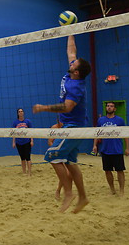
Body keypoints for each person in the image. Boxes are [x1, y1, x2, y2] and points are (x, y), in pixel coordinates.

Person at [33, 34, 91, 213]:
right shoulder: (71, 75)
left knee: (51, 156)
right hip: (68, 126)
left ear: (77, 72)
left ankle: (68, 193)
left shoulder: (76, 87)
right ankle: (83, 197)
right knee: (70, 162)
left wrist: (43, 108)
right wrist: (71, 30)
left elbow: (66, 108)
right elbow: (71, 50)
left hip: (73, 128)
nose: (71, 62)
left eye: (74, 64)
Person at [92, 101, 129, 196]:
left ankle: (121, 190)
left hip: (117, 150)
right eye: (108, 106)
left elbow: (126, 134)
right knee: (107, 171)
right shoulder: (101, 120)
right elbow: (97, 133)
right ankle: (112, 189)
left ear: (115, 109)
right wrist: (95, 145)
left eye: (111, 106)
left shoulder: (120, 120)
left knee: (120, 170)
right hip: (105, 150)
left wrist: (127, 148)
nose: (109, 107)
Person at [11, 108, 34, 176]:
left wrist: (32, 140)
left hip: (27, 141)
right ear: (17, 113)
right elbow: (13, 133)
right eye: (19, 111)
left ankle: (29, 172)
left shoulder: (28, 121)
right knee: (22, 158)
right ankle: (24, 172)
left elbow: (31, 132)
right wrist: (13, 142)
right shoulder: (15, 122)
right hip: (19, 142)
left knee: (28, 158)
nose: (20, 112)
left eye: (21, 111)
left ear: (23, 113)